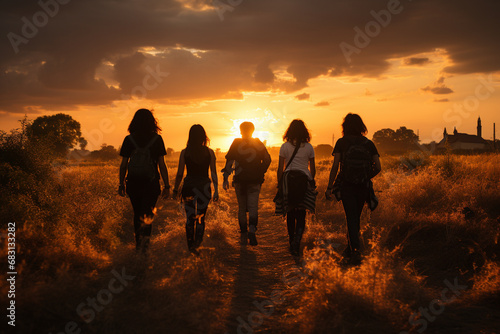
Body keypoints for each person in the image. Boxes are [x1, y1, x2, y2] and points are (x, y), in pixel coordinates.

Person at [325, 113, 381, 266]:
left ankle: (355, 252)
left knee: (351, 217)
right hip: (363, 186)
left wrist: (330, 187)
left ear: (345, 126)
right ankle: (351, 250)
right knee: (355, 217)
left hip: (347, 185)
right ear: (361, 126)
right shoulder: (368, 143)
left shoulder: (341, 143)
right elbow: (379, 167)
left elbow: (336, 165)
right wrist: (366, 176)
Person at [118, 108, 170, 253]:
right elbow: (162, 165)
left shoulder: (129, 140)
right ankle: (145, 247)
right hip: (151, 183)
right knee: (147, 214)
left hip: (133, 183)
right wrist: (167, 185)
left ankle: (138, 244)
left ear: (134, 122)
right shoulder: (157, 139)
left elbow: (123, 166)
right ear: (152, 122)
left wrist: (121, 184)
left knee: (137, 213)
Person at [222, 122, 271, 246]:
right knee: (253, 207)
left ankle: (243, 234)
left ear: (240, 130)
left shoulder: (236, 142)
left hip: (240, 181)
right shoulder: (258, 143)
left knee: (242, 208)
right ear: (253, 130)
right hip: (255, 180)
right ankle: (252, 231)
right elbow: (267, 159)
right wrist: (261, 171)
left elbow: (229, 161)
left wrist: (225, 178)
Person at [173, 124, 219, 255]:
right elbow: (213, 173)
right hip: (204, 187)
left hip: (189, 187)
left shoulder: (185, 152)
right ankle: (197, 245)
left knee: (189, 218)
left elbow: (180, 173)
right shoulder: (209, 152)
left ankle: (190, 247)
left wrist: (175, 190)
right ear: (204, 136)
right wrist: (216, 190)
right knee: (201, 218)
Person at [277, 119, 316, 256]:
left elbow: (280, 169)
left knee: (290, 212)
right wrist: (311, 181)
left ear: (289, 131)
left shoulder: (284, 146)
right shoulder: (309, 147)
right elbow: (313, 169)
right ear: (305, 131)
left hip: (288, 180)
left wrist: (279, 184)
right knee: (301, 214)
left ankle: (291, 241)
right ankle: (297, 240)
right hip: (303, 180)